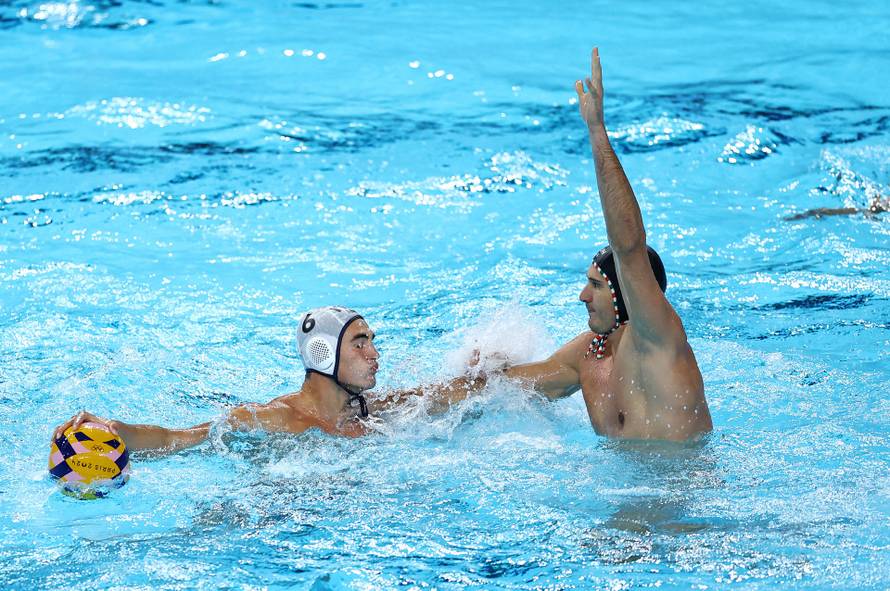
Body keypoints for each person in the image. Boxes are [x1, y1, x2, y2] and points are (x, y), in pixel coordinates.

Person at [500, 48, 712, 441]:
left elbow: (629, 246)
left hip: (684, 479)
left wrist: (596, 131)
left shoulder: (658, 337)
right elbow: (498, 390)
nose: (583, 295)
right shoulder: (589, 354)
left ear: (627, 293)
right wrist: (392, 406)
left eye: (596, 285)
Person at [53, 306, 487, 453]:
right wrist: (117, 431)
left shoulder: (376, 412)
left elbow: (455, 393)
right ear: (323, 353)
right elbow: (179, 438)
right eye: (359, 343)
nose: (374, 353)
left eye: (373, 342)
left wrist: (481, 373)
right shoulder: (275, 418)